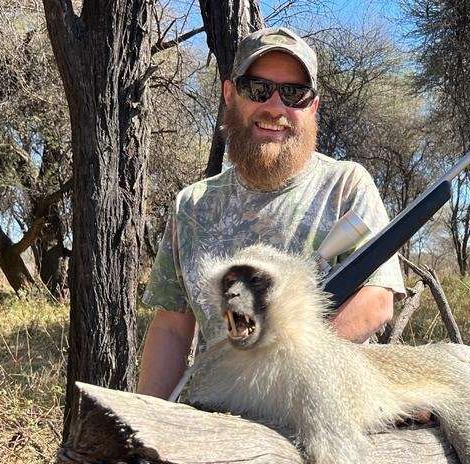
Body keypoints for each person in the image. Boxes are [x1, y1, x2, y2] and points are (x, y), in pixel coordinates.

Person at [138, 26, 405, 399]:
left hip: (319, 400)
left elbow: (376, 302)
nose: (276, 107)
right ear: (230, 94)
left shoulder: (346, 185)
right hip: (216, 411)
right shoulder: (191, 206)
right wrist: (148, 422)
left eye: (294, 94)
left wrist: (277, 375)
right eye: (257, 89)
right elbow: (171, 327)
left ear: (312, 107)